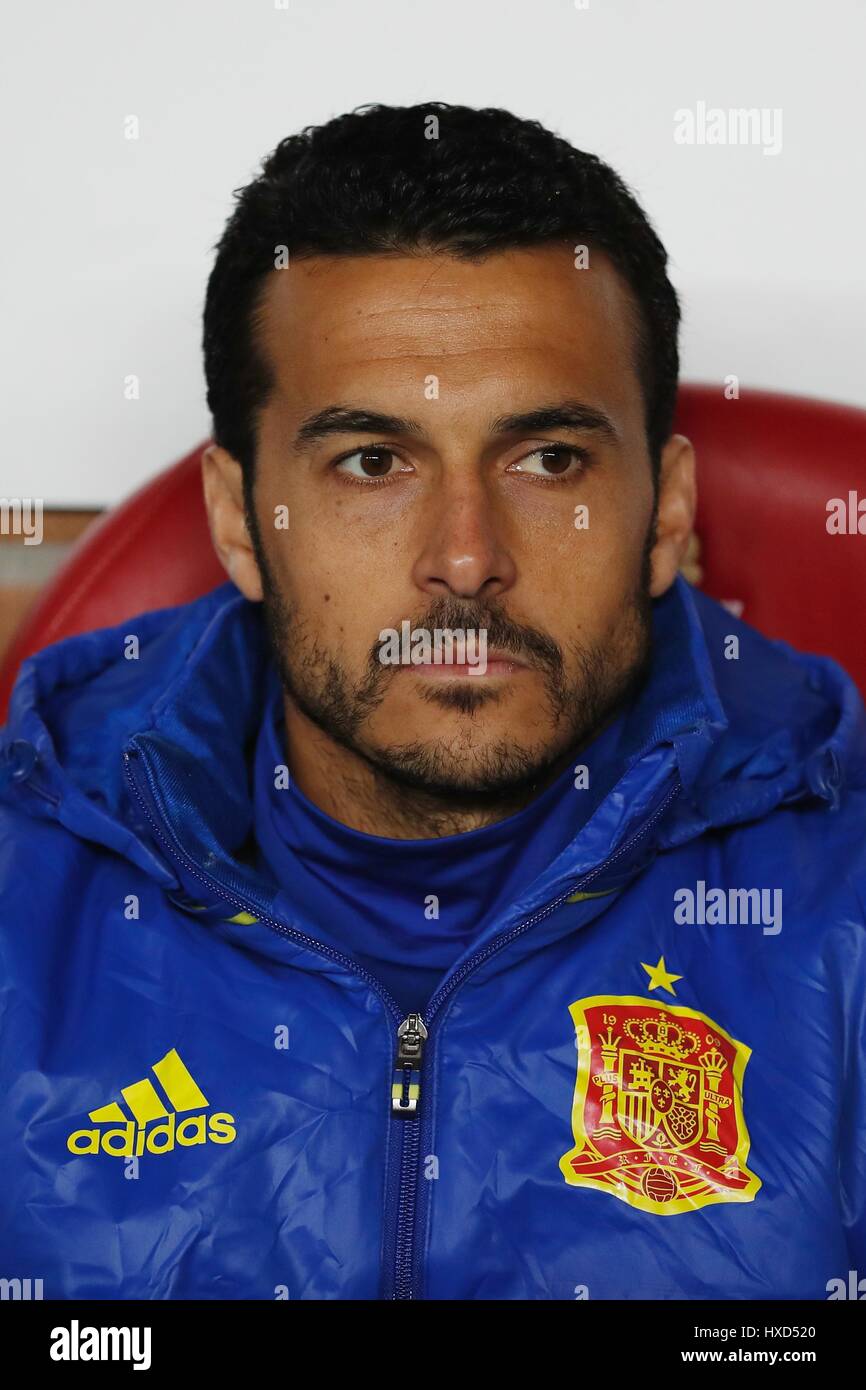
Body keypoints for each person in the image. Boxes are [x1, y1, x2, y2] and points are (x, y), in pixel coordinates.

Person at [0, 101, 864, 1301]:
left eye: (547, 459)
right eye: (370, 462)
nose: (464, 558)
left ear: (664, 512)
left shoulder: (839, 906)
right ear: (236, 521)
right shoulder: (21, 903)